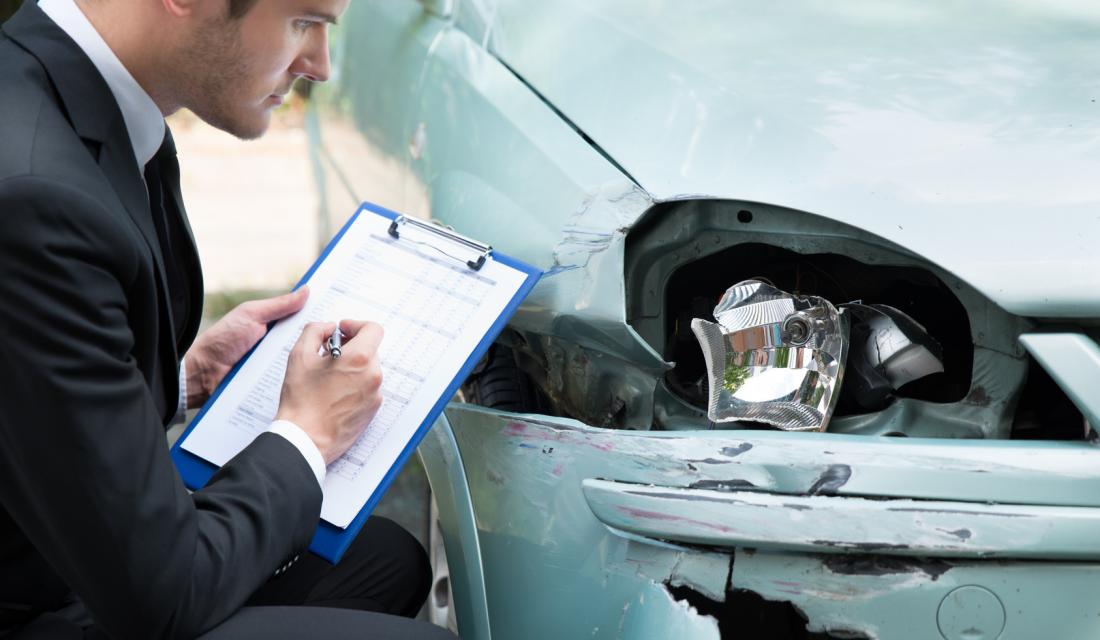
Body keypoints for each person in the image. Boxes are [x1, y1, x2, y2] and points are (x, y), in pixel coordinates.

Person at [0, 0, 455, 638]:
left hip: (52, 553)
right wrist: (308, 433)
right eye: (304, 21)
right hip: (40, 602)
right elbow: (165, 598)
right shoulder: (33, 193)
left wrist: (186, 378)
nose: (320, 66)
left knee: (383, 560)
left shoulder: (66, 96)